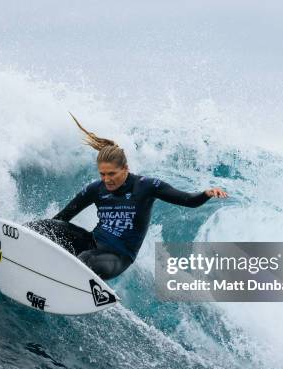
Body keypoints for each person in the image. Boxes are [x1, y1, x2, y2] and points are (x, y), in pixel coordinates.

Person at [26, 113, 228, 280]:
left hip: (117, 257)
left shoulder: (146, 187)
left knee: (85, 259)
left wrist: (207, 194)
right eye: (102, 174)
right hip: (92, 242)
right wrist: (45, 237)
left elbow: (188, 200)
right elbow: (63, 217)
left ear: (125, 169)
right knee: (46, 226)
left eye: (111, 174)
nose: (106, 179)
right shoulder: (96, 189)